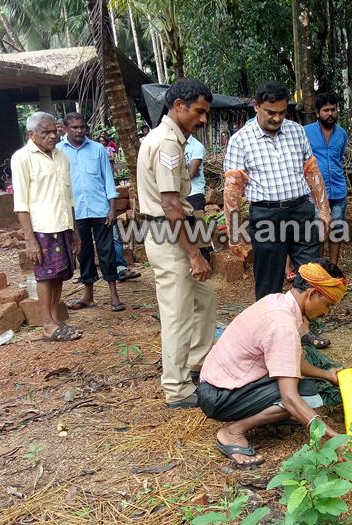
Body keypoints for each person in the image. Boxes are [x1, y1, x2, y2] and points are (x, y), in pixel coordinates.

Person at [198, 260, 347, 468]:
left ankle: (270, 413)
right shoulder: (282, 325)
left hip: (217, 384)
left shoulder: (277, 302)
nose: (327, 313)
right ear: (312, 293)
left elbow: (290, 361)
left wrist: (327, 375)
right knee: (305, 396)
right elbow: (290, 398)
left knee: (301, 390)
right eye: (328, 305)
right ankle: (233, 432)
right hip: (219, 396)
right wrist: (333, 438)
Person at [223, 81, 332, 349]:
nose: (276, 118)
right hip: (266, 215)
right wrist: (235, 234)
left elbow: (312, 172)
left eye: (282, 112)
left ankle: (305, 331)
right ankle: (268, 333)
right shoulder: (240, 140)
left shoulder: (296, 131)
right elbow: (232, 190)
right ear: (256, 106)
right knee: (269, 279)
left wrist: (324, 210)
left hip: (301, 210)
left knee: (310, 273)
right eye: (270, 112)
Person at [137, 77, 216, 409]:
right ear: (179, 106)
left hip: (175, 232)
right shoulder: (168, 144)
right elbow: (170, 205)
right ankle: (177, 387)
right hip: (170, 236)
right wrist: (194, 254)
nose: (203, 119)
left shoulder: (171, 139)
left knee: (204, 298)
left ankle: (196, 363)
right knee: (178, 314)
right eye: (199, 111)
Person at [11, 112, 82, 341]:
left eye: (55, 131)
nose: (53, 136)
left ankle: (54, 320)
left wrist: (75, 230)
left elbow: (69, 197)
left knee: (60, 274)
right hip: (42, 228)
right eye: (46, 132)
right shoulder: (22, 158)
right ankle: (46, 324)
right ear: (31, 134)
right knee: (45, 275)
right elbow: (21, 204)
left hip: (63, 225)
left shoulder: (61, 155)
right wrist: (30, 239)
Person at [57, 112, 124, 312]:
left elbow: (108, 180)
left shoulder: (98, 149)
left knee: (107, 251)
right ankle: (88, 295)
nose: (80, 131)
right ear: (66, 129)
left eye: (82, 127)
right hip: (76, 212)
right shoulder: (58, 151)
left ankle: (114, 294)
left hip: (100, 209)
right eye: (75, 127)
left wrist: (112, 209)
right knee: (83, 252)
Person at [304, 92, 348, 266]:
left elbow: (340, 157)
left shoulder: (342, 134)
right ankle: (319, 269)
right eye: (326, 110)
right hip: (315, 192)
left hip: (338, 190)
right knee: (319, 233)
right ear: (317, 113)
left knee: (336, 231)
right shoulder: (306, 132)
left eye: (333, 110)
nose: (330, 114)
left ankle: (333, 267)